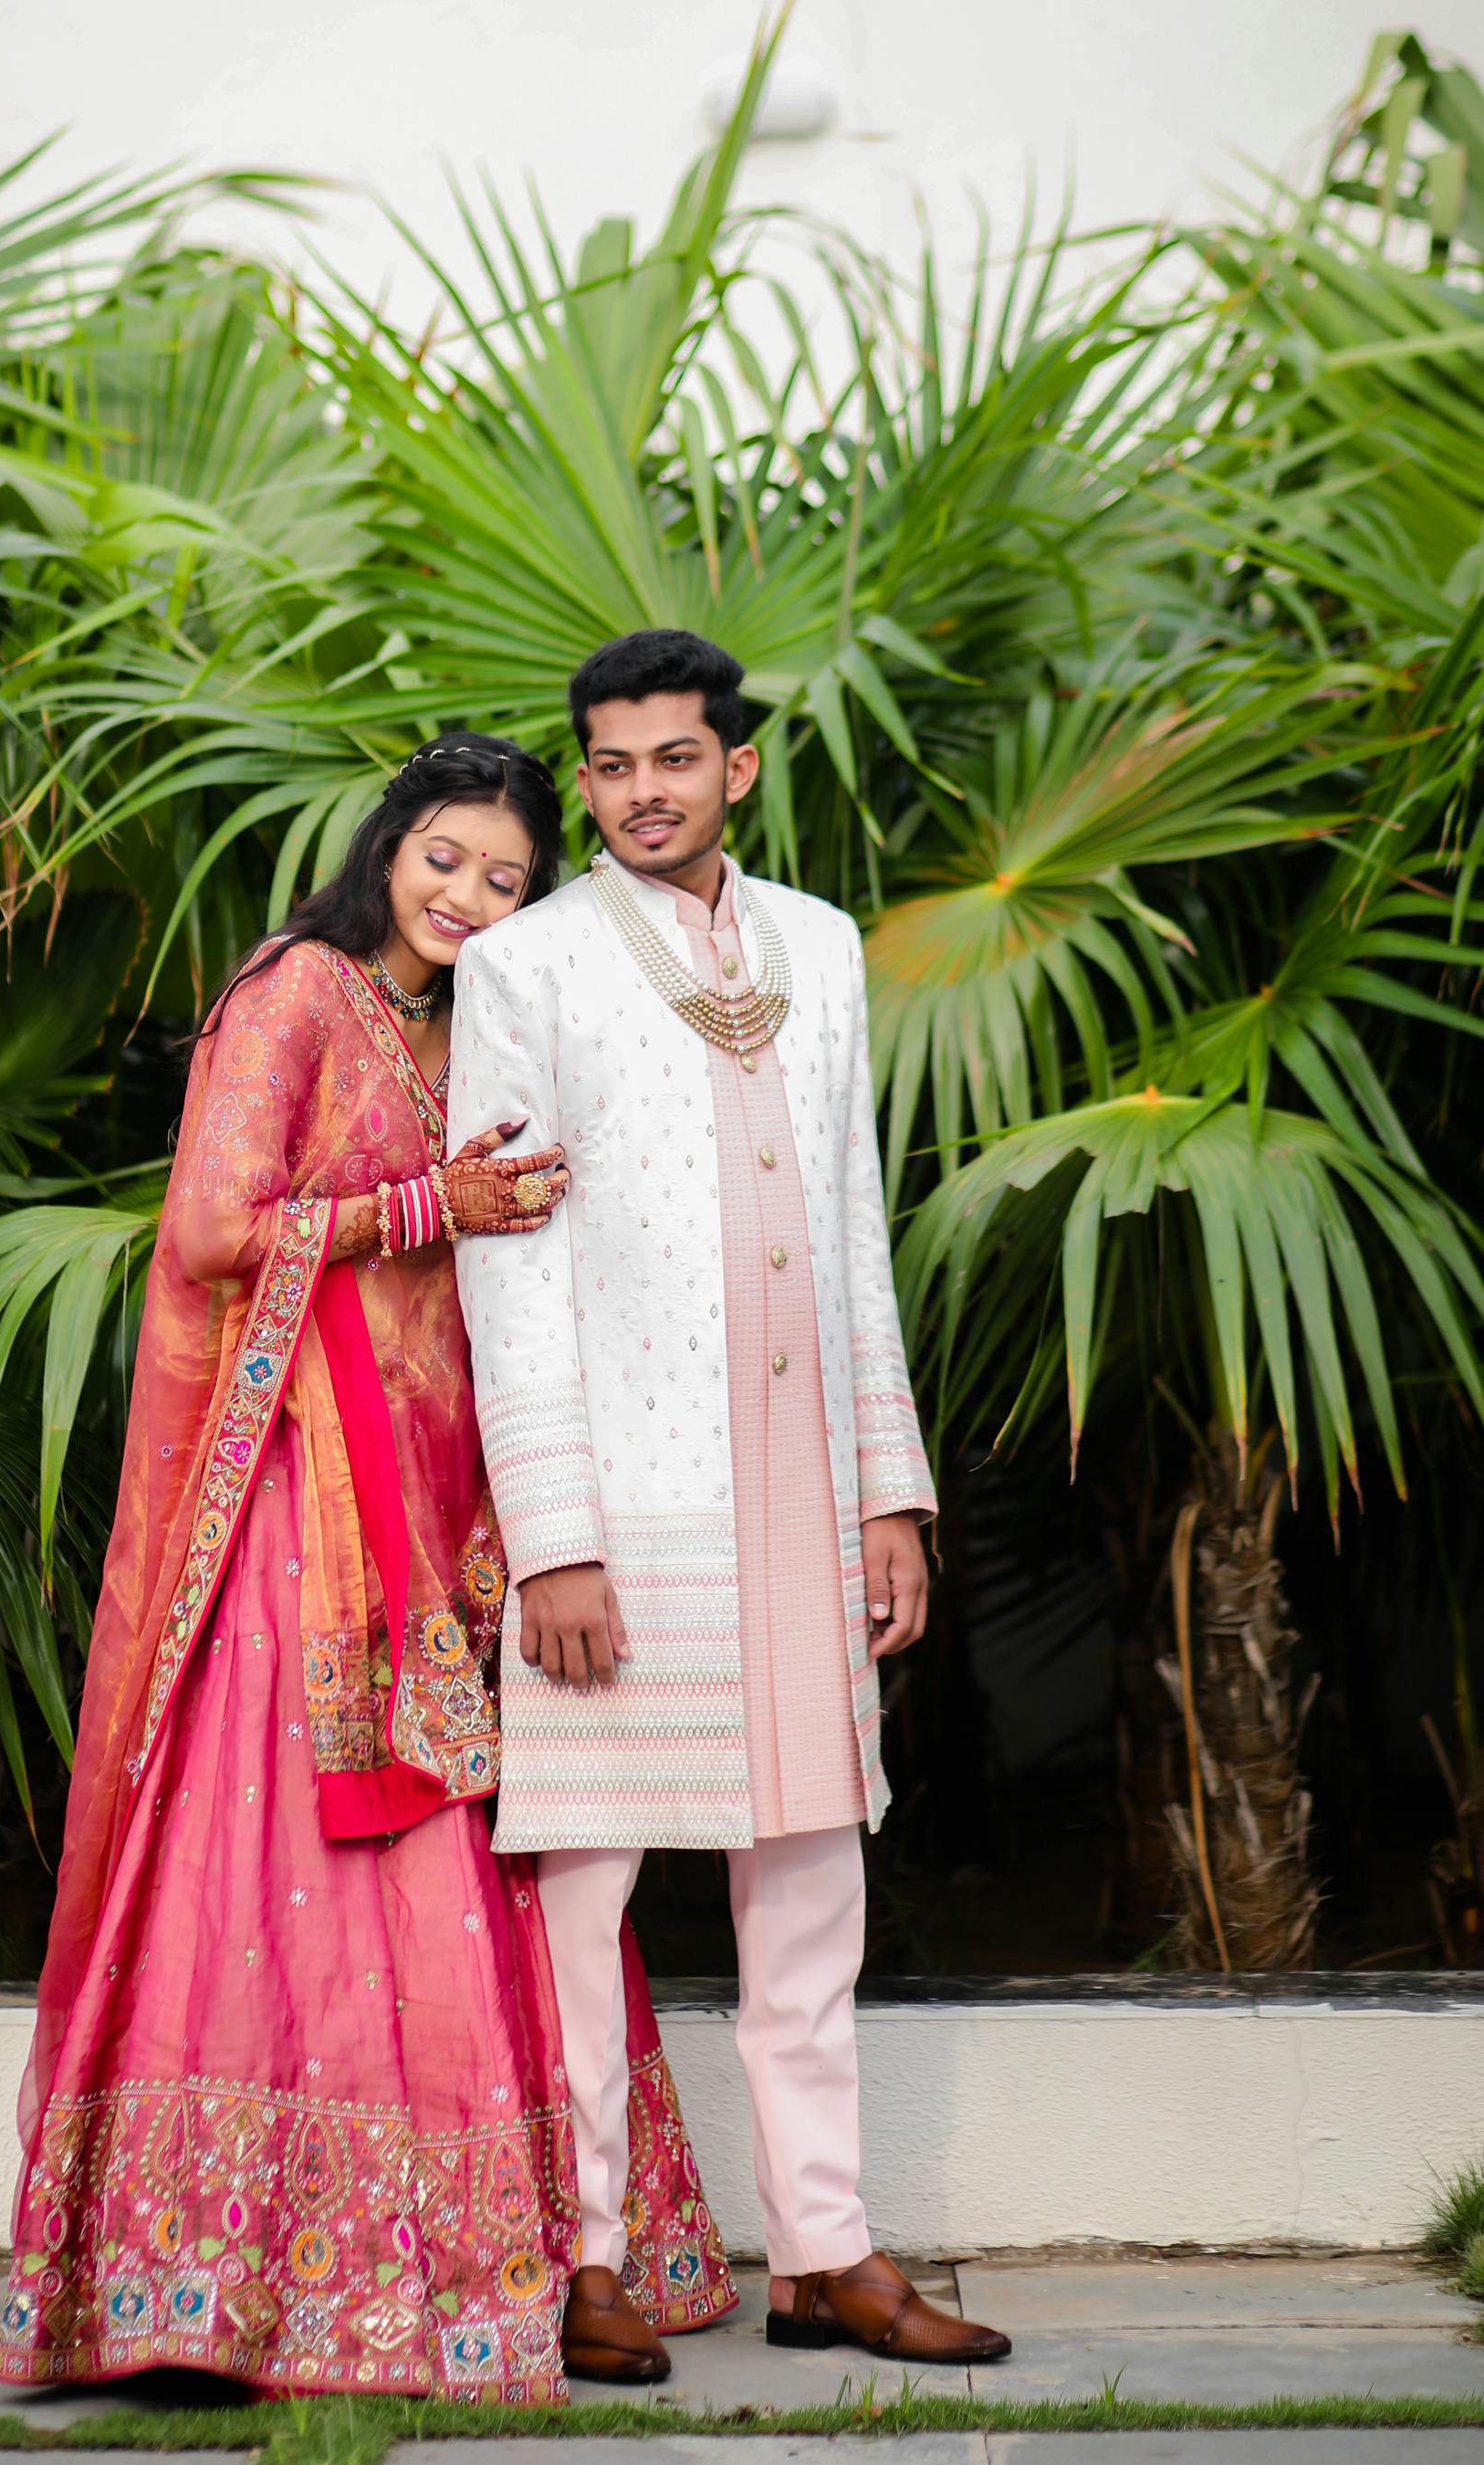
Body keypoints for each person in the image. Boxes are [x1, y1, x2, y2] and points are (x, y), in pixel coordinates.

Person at [0, 732, 734, 2407]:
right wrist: (425, 1209)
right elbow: (207, 1229)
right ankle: (210, 2276)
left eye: (506, 878)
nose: (470, 895)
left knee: (485, 1857)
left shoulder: (472, 1027)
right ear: (389, 845)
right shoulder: (299, 995)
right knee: (280, 1866)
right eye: (447, 859)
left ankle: (509, 2261)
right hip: (296, 1518)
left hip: (439, 1511)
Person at [449, 636, 1012, 2376]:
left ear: (737, 771)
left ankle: (822, 2259)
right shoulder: (527, 965)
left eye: (672, 761)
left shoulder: (824, 949)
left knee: (812, 1887)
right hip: (625, 1512)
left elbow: (851, 1227)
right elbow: (510, 1273)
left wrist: (889, 1501)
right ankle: (590, 2259)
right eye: (609, 768)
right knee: (583, 1897)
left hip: (801, 1496)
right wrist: (553, 1535)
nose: (638, 794)